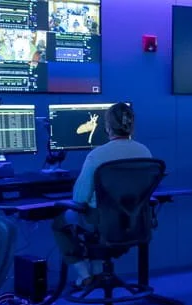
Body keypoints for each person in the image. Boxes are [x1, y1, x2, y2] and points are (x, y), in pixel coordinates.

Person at [59, 102, 149, 283]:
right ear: (132, 125)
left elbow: (79, 198)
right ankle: (99, 273)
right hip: (134, 224)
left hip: (103, 224)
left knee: (60, 221)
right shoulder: (144, 151)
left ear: (108, 127)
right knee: (98, 221)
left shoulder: (97, 155)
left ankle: (85, 276)